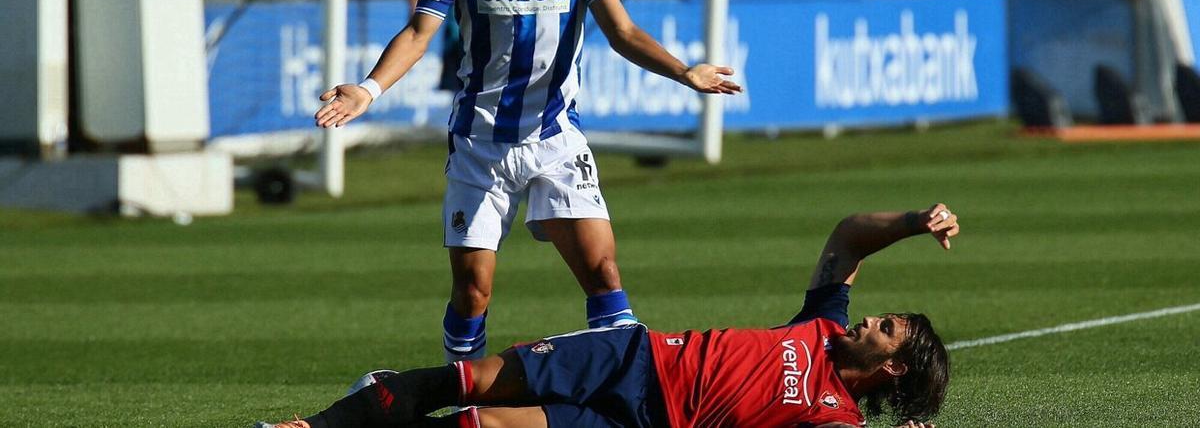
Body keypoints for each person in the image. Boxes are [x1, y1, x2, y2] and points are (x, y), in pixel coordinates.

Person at [314, 0, 743, 364]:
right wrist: (369, 89)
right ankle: (466, 394)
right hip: (480, 146)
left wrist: (685, 73)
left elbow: (624, 33)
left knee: (603, 272)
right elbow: (420, 33)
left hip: (556, 140)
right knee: (473, 292)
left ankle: (625, 394)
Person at [253, 203, 959, 428]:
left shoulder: (834, 416)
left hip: (642, 423)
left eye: (886, 328)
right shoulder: (825, 326)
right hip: (633, 357)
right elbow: (844, 237)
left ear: (891, 366)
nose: (871, 320)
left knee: (480, 427)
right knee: (463, 383)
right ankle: (312, 426)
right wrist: (910, 220)